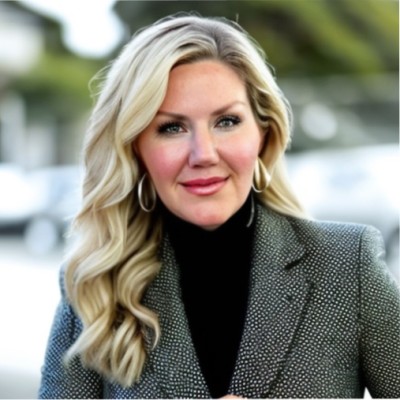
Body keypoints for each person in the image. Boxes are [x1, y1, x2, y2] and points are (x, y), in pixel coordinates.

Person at [38, 13, 400, 399]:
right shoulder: (97, 283)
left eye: (226, 121)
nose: (204, 154)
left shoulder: (347, 265)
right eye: (171, 128)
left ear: (263, 133)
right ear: (135, 150)